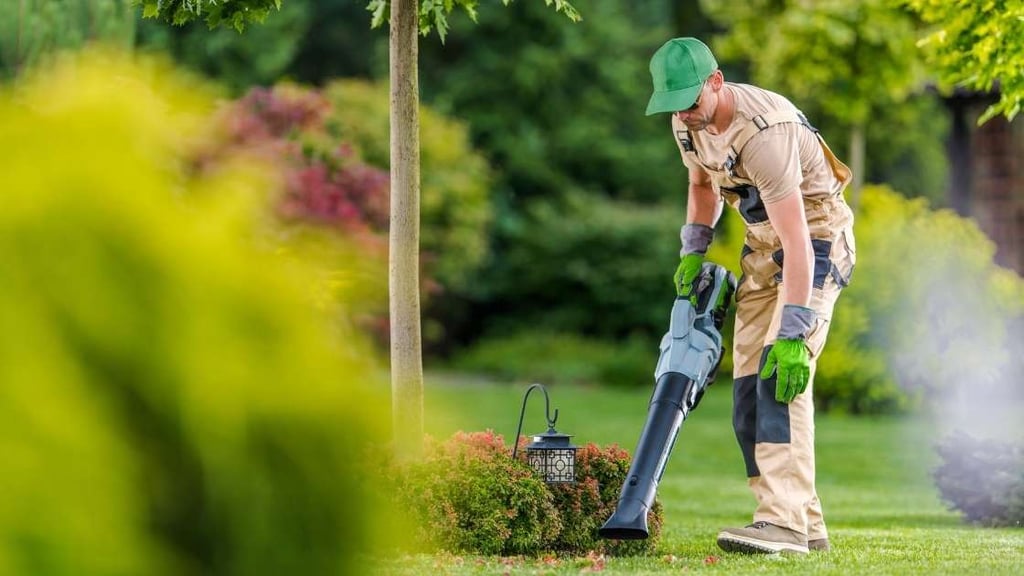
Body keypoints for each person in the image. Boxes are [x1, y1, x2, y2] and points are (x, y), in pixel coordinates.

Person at [646, 37, 857, 554]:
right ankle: (806, 524)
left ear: (716, 81)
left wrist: (794, 330)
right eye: (675, 106)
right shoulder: (686, 120)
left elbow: (799, 241)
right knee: (746, 393)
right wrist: (693, 249)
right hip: (761, 246)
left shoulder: (766, 132)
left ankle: (781, 522)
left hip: (814, 240)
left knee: (778, 378)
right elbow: (701, 187)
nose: (686, 116)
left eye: (692, 103)